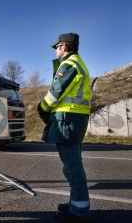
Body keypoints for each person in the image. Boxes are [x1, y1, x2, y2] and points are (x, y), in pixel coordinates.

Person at [37, 33, 92, 223]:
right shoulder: (77, 63)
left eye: (57, 46)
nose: (56, 50)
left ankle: (79, 212)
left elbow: (55, 92)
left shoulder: (70, 64)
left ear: (65, 47)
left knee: (72, 165)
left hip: (69, 119)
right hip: (74, 118)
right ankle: (77, 203)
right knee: (74, 162)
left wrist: (42, 107)